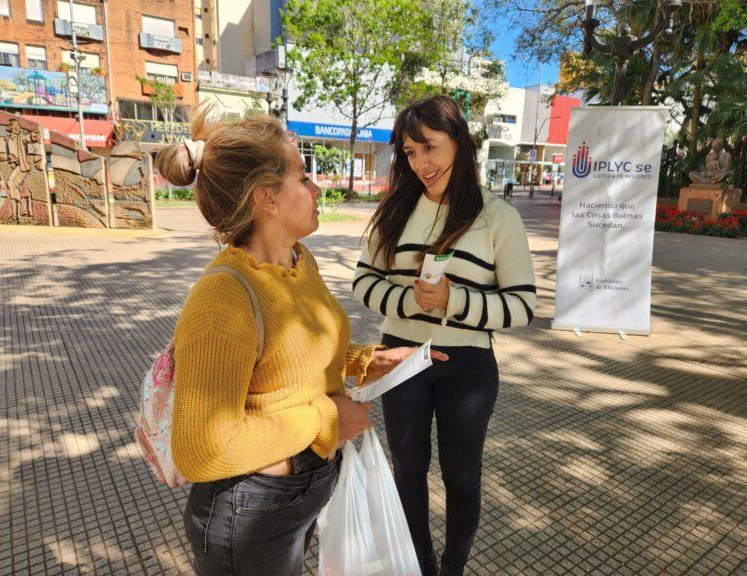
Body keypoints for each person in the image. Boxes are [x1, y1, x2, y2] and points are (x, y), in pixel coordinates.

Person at [156, 110, 445, 576]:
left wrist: (362, 361)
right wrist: (327, 417)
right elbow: (200, 450)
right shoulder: (221, 298)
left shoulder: (298, 261)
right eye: (304, 178)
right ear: (266, 197)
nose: (317, 190)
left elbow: (288, 359)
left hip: (297, 498)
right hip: (246, 517)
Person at [353, 95, 536, 576]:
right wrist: (414, 302)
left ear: (459, 142)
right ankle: (421, 566)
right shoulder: (393, 212)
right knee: (407, 473)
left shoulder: (498, 218)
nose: (421, 163)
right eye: (410, 153)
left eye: (429, 148)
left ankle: (453, 568)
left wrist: (454, 303)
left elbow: (522, 305)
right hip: (400, 359)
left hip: (468, 366)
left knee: (461, 477)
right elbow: (363, 282)